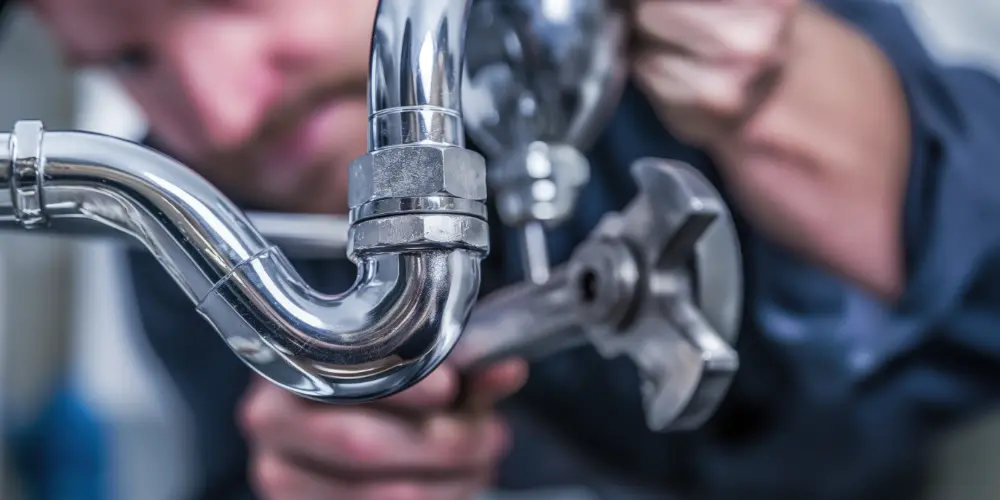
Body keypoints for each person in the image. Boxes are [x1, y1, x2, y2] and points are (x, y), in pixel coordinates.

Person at [4, 0, 1000, 498]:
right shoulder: (186, 212)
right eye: (129, 61)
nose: (221, 112)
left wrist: (852, 145)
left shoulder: (633, 35)